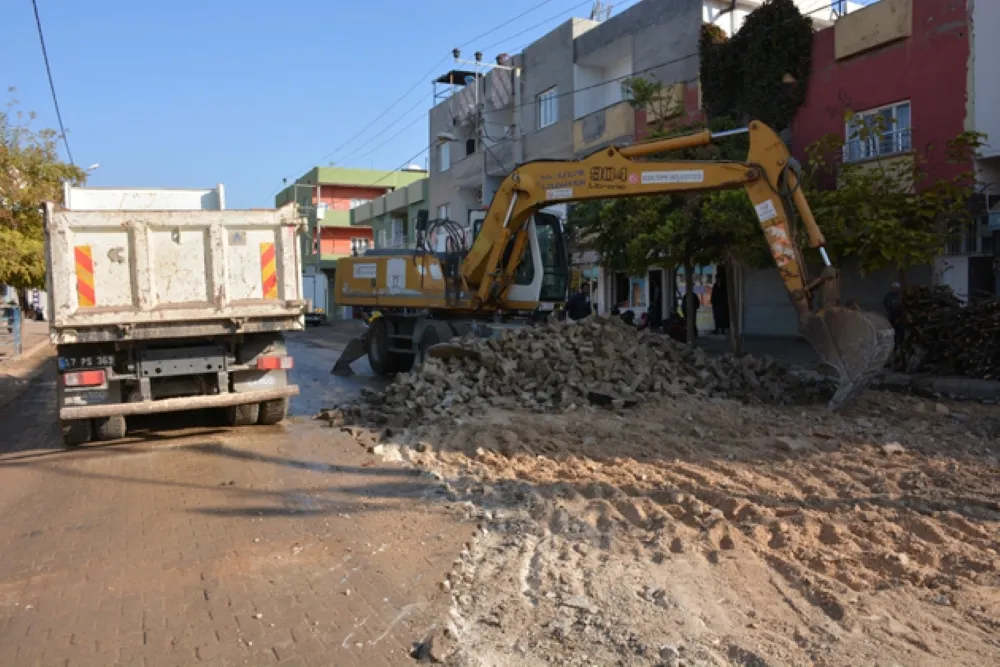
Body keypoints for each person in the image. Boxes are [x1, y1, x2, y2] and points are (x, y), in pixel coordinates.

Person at [883, 282, 905, 349]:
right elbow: (885, 303)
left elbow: (904, 305)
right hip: (892, 316)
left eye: (896, 288)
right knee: (894, 332)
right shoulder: (889, 295)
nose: (894, 289)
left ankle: (902, 345)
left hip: (900, 316)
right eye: (893, 288)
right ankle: (894, 346)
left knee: (901, 332)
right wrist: (889, 307)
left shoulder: (901, 295)